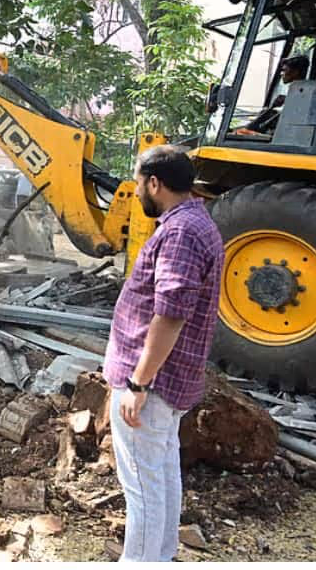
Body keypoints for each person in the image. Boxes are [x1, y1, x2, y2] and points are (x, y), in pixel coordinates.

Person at [103, 145, 223, 562]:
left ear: (154, 182)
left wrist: (138, 382)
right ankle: (160, 557)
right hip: (171, 381)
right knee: (162, 476)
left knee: (142, 486)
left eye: (138, 183)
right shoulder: (195, 222)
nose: (135, 191)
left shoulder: (179, 233)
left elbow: (170, 314)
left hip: (153, 385)